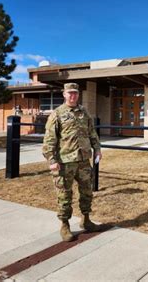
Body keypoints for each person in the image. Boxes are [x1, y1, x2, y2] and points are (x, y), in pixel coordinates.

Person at [42, 83, 103, 242]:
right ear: (64, 94)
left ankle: (86, 219)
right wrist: (52, 159)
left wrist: (97, 149)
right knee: (64, 194)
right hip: (64, 162)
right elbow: (49, 140)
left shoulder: (84, 113)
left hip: (83, 160)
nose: (73, 96)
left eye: (75, 93)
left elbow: (92, 133)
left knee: (87, 191)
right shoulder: (57, 114)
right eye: (70, 93)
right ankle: (65, 225)